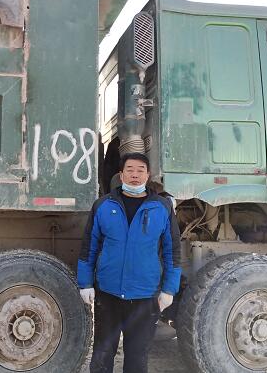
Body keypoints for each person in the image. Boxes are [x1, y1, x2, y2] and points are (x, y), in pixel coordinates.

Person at [77, 152, 181, 373]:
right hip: (108, 294)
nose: (135, 175)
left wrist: (169, 290)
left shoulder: (162, 207)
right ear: (121, 175)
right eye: (130, 170)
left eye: (140, 170)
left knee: (137, 357)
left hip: (145, 295)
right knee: (102, 355)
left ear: (148, 175)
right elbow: (89, 247)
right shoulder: (103, 205)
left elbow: (172, 251)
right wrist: (85, 283)